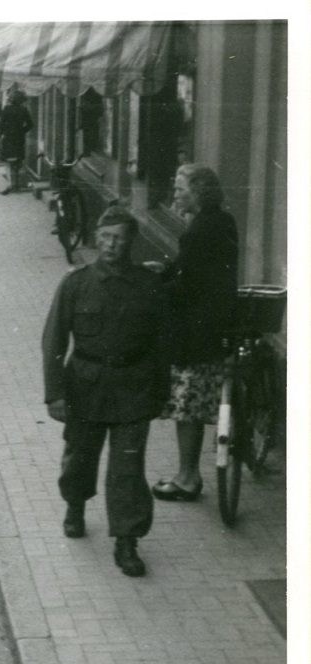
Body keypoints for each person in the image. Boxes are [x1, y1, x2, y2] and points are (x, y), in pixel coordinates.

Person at [41, 206, 170, 577]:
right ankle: (75, 505)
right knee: (80, 457)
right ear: (97, 237)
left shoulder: (148, 285)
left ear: (131, 243)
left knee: (128, 468)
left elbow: (162, 344)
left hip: (134, 387)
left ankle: (127, 541)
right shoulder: (76, 283)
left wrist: (162, 393)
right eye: (107, 237)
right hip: (85, 385)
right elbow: (53, 340)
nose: (112, 245)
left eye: (120, 239)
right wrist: (55, 393)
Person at [147, 165, 239, 502]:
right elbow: (199, 271)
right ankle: (189, 473)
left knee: (187, 406)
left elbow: (188, 287)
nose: (174, 194)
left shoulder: (197, 231)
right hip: (216, 325)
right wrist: (169, 269)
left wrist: (155, 288)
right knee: (194, 403)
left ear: (198, 192)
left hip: (194, 333)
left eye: (180, 188)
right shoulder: (222, 221)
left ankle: (187, 478)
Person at [0, 91, 34, 194]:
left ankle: (10, 185)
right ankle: (17, 185)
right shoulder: (23, 110)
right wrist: (22, 131)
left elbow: (1, 124)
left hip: (8, 139)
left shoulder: (6, 109)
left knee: (8, 163)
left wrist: (2, 132)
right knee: (18, 162)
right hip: (19, 139)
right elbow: (30, 124)